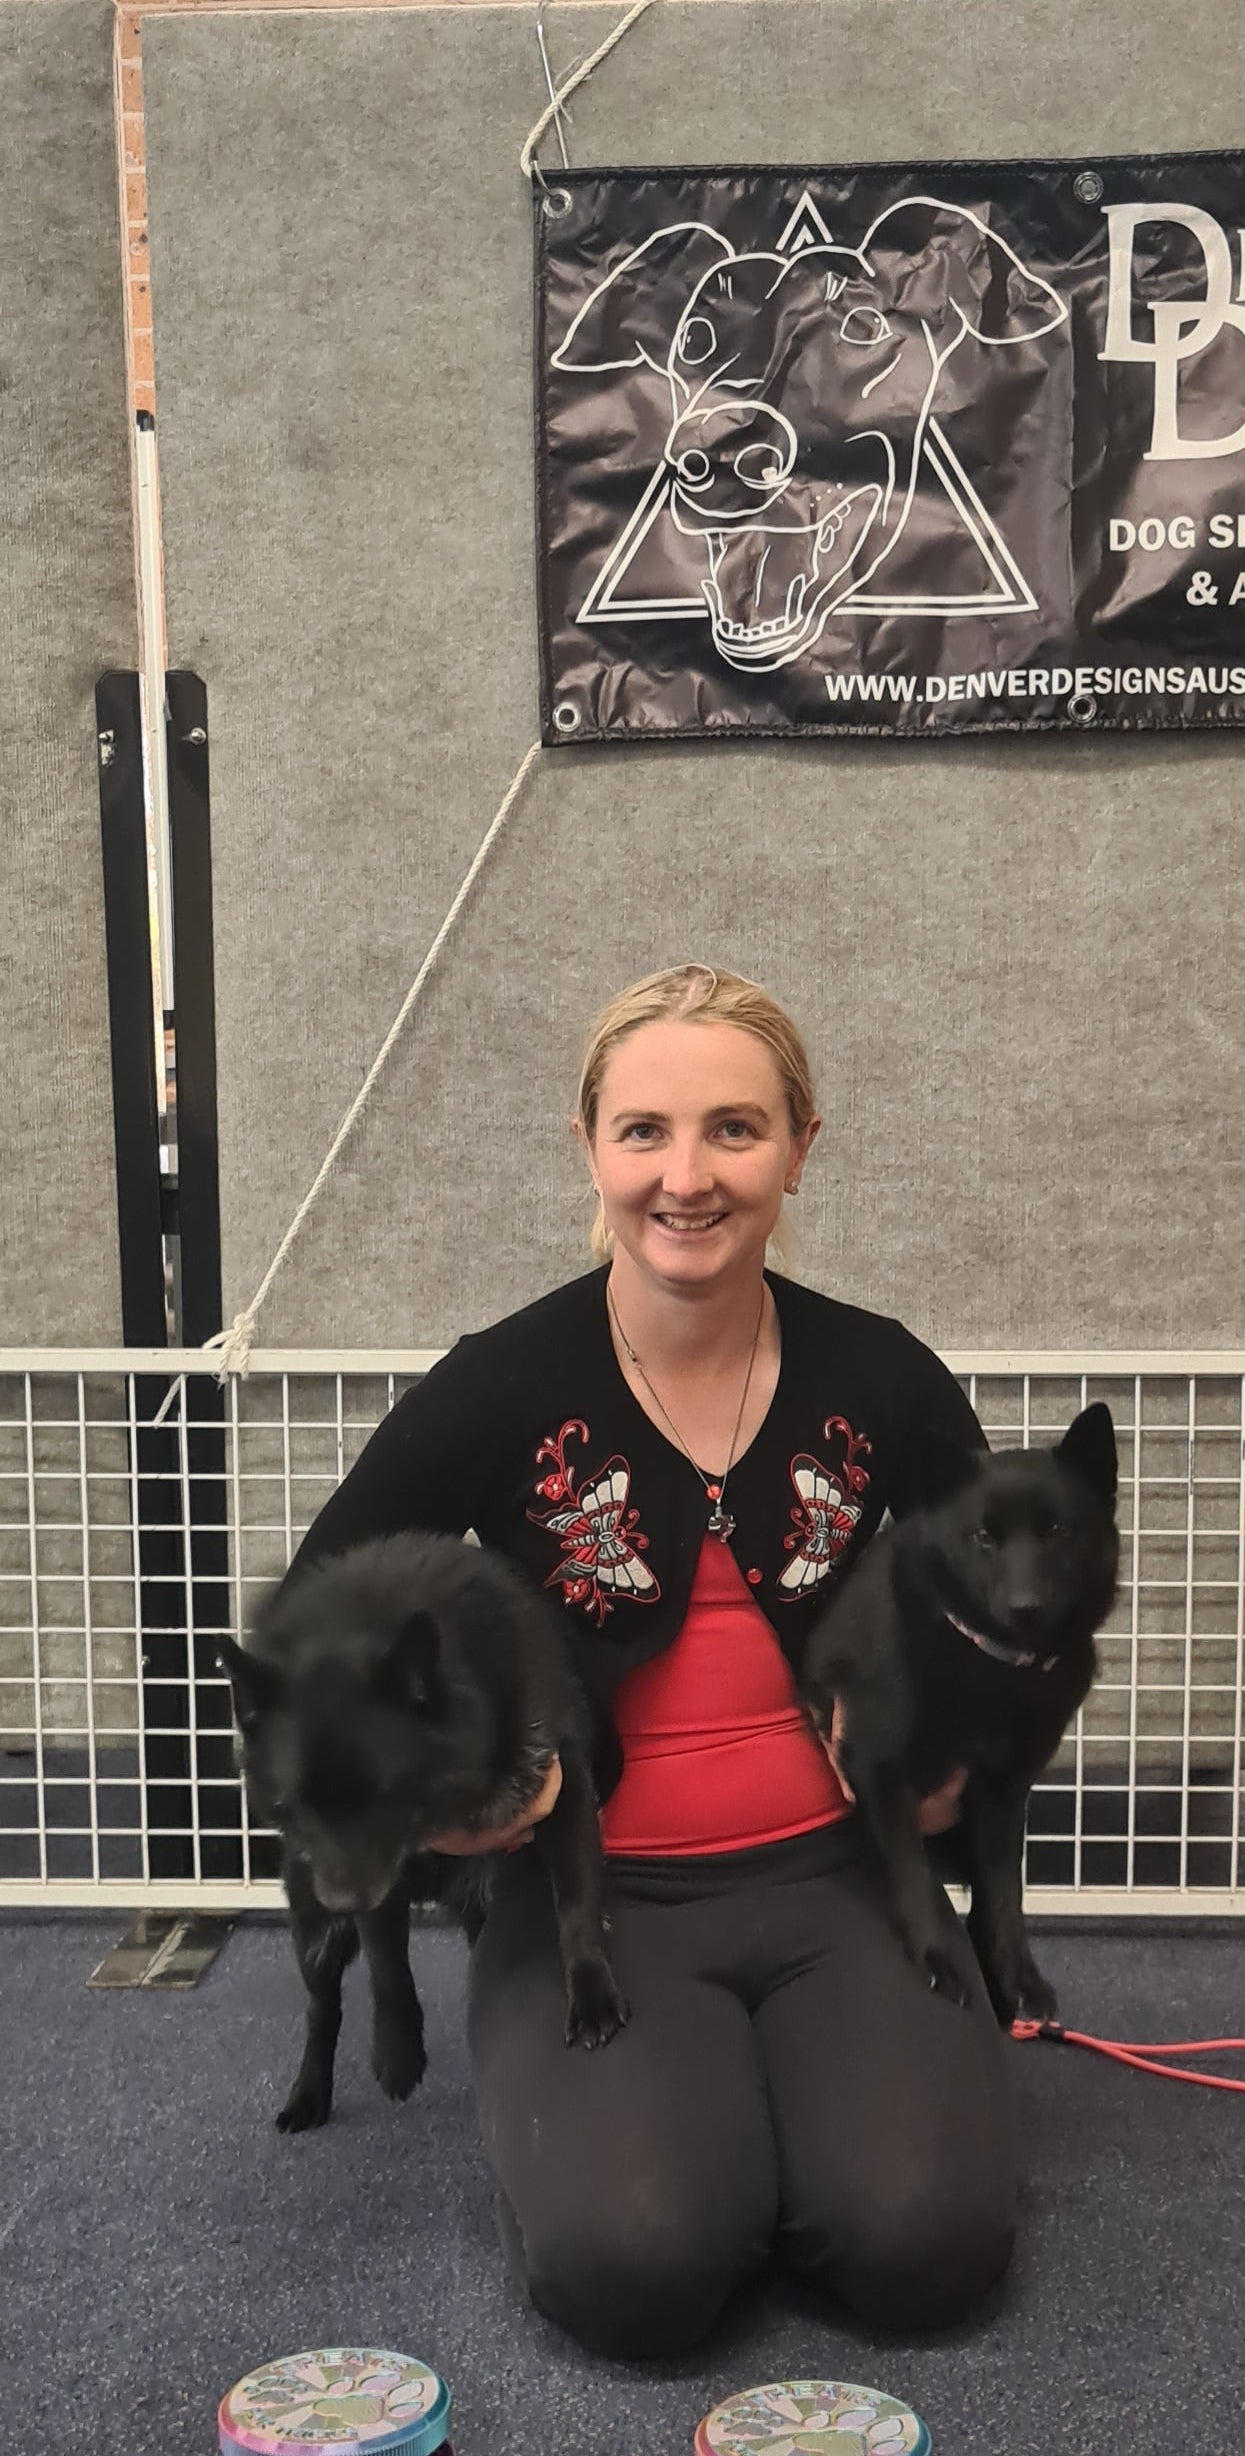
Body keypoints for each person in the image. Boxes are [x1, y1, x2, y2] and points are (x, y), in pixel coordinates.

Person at [280, 963, 1013, 2360]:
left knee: (925, 2255)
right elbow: (313, 1624)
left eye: (735, 1130)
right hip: (592, 1905)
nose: (689, 1176)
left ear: (803, 1146)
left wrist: (951, 1759)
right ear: (588, 1148)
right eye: (645, 1132)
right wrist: (453, 1804)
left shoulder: (885, 1374)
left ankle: (799, 2109)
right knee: (641, 2274)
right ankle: (666, 2129)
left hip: (843, 1882)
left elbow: (1004, 1617)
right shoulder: (502, 1382)